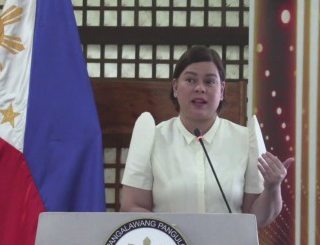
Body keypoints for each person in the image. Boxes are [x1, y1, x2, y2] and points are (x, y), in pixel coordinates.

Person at [120, 45, 294, 227]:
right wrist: (177, 236)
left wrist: (272, 188)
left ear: (222, 91)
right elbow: (132, 206)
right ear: (175, 87)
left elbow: (256, 218)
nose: (200, 88)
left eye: (210, 82)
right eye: (190, 80)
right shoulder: (152, 138)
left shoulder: (244, 140)